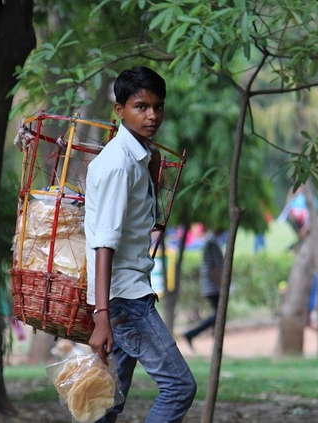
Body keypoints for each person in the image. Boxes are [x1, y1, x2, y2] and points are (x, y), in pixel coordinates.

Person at [85, 66, 196, 423]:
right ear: (119, 111)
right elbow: (105, 244)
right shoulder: (119, 165)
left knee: (107, 402)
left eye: (158, 107)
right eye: (141, 106)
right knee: (179, 386)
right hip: (124, 299)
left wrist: (152, 165)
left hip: (127, 293)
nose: (152, 116)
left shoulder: (139, 157)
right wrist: (102, 317)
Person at [181, 229, 225, 351]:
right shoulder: (211, 243)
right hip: (213, 286)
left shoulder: (211, 242)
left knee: (219, 315)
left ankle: (214, 343)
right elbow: (213, 267)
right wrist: (222, 285)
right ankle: (193, 334)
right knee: (220, 315)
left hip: (211, 286)